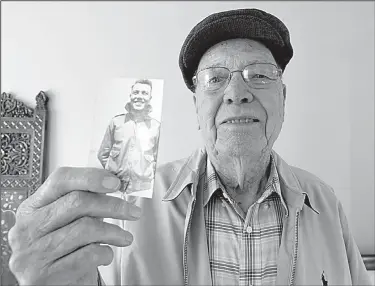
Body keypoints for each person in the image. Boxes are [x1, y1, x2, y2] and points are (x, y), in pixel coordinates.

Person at [8, 8, 372, 286]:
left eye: (259, 75)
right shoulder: (125, 208)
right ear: (197, 106)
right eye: (215, 79)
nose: (236, 93)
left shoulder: (325, 202)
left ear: (283, 98)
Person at [97, 79, 160, 195]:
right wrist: (113, 173)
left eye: (144, 93)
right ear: (130, 96)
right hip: (114, 189)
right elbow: (102, 154)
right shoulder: (116, 122)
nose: (139, 96)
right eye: (136, 92)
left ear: (150, 98)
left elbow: (158, 160)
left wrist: (146, 177)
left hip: (142, 191)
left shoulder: (156, 127)